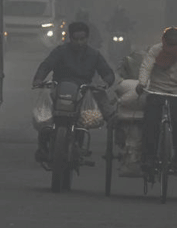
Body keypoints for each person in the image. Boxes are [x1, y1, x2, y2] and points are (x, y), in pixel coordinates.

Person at [31, 21, 116, 161]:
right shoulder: (60, 51)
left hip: (83, 90)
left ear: (87, 38)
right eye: (76, 39)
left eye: (82, 39)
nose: (79, 42)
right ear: (70, 38)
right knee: (45, 117)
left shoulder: (94, 55)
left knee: (93, 110)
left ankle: (111, 122)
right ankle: (43, 146)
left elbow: (107, 73)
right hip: (59, 87)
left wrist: (105, 83)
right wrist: (39, 79)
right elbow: (46, 65)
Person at [136, 26, 177, 174]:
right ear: (163, 41)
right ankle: (149, 157)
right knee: (150, 123)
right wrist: (142, 83)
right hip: (156, 90)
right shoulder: (155, 50)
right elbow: (146, 67)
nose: (172, 49)